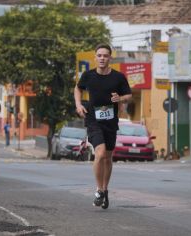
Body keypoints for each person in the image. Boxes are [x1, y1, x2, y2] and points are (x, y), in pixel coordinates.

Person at [74, 43, 132, 209]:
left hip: (111, 121)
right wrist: (79, 105)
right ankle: (99, 190)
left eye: (105, 56)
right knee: (99, 154)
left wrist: (120, 99)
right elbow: (77, 89)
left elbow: (128, 94)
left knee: (107, 157)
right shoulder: (88, 75)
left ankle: (105, 189)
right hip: (93, 120)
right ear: (95, 57)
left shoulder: (118, 77)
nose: (102, 58)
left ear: (110, 58)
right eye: (99, 55)